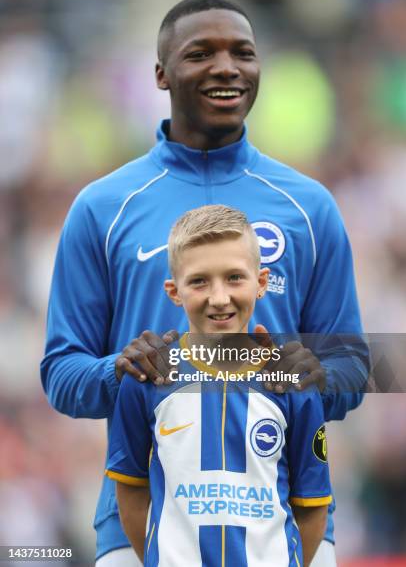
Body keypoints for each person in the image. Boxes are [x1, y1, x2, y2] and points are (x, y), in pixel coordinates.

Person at [41, 0, 368, 566]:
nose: (227, 67)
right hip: (139, 526)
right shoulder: (102, 207)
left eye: (243, 52)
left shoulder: (310, 208)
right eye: (201, 53)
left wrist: (314, 374)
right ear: (162, 74)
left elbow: (353, 364)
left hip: (284, 523)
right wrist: (121, 371)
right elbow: (60, 371)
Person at [106, 204, 332, 567]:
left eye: (234, 278)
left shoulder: (293, 384)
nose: (219, 297)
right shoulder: (148, 379)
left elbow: (312, 509)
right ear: (174, 291)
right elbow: (131, 493)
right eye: (199, 281)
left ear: (260, 283)